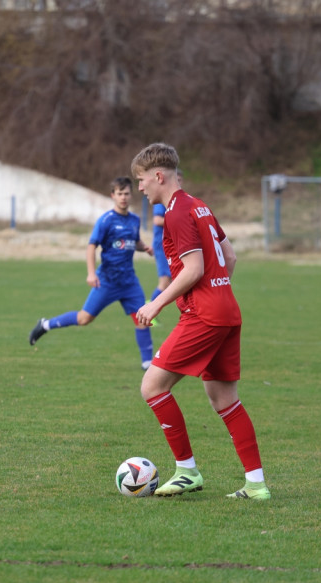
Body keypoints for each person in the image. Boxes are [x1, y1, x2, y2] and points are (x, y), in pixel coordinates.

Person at [130, 142, 270, 500]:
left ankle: (187, 471)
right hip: (226, 310)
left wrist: (156, 303)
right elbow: (230, 256)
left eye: (142, 180)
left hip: (204, 315)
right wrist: (218, 292)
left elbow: (194, 268)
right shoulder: (199, 206)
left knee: (153, 386)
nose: (140, 188)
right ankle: (256, 485)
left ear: (159, 176)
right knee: (224, 399)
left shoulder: (176, 213)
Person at [29, 176, 155, 370]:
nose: (123, 197)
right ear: (113, 195)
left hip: (129, 281)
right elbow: (91, 246)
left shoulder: (134, 220)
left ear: (131, 195)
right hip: (107, 280)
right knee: (84, 319)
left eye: (127, 193)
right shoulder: (105, 221)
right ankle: (45, 324)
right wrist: (90, 273)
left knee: (142, 319)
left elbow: (133, 241)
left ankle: (148, 363)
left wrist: (145, 247)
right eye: (119, 194)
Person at [148, 169, 182, 303]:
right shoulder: (163, 200)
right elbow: (157, 220)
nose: (178, 183)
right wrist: (178, 219)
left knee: (175, 279)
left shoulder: (178, 200)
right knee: (165, 282)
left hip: (173, 246)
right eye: (176, 180)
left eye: (180, 181)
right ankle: (149, 308)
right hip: (161, 245)